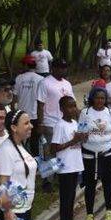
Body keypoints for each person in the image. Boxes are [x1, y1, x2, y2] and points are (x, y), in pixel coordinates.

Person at [78, 87, 111, 220]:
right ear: (92, 98)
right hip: (89, 155)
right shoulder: (85, 113)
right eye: (97, 98)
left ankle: (109, 212)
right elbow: (80, 133)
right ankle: (90, 214)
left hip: (107, 154)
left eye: (103, 98)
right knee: (90, 185)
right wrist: (82, 137)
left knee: (108, 184)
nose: (100, 101)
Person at [51, 96, 88, 220]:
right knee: (66, 201)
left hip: (75, 165)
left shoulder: (74, 123)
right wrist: (73, 141)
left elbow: (79, 141)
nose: (73, 109)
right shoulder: (60, 125)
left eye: (74, 106)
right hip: (65, 167)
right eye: (69, 107)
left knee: (71, 199)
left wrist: (83, 137)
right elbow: (53, 148)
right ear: (61, 109)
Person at [37, 59, 75, 193]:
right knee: (50, 153)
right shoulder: (45, 82)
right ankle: (47, 181)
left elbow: (72, 103)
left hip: (64, 123)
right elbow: (40, 105)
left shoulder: (67, 84)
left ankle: (61, 177)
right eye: (59, 68)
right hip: (50, 122)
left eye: (64, 68)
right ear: (53, 68)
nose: (62, 70)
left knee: (63, 151)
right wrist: (40, 123)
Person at [14, 57, 44, 156]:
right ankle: (36, 163)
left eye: (23, 64)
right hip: (34, 115)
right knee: (34, 141)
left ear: (26, 65)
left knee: (20, 141)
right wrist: (41, 121)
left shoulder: (19, 78)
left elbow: (14, 97)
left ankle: (22, 161)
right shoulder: (40, 79)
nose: (21, 66)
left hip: (21, 115)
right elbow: (41, 102)